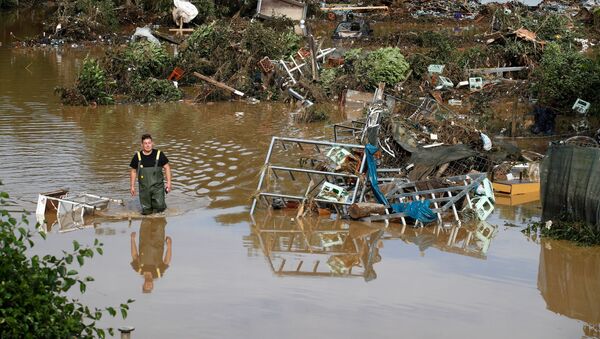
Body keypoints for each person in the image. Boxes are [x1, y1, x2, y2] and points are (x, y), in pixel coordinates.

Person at [129, 134, 172, 215]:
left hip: (158, 188)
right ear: (142, 145)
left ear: (152, 143)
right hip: (144, 189)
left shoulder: (159, 154)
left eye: (149, 143)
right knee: (146, 211)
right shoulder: (137, 156)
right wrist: (132, 186)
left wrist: (169, 183)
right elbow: (133, 171)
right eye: (145, 143)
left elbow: (167, 168)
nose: (148, 145)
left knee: (160, 208)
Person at [130, 217, 172, 293]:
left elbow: (134, 255)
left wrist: (132, 239)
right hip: (158, 240)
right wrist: (169, 245)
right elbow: (167, 261)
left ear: (143, 285)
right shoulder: (159, 272)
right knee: (160, 220)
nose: (149, 285)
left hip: (144, 238)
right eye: (150, 287)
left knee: (146, 219)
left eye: (146, 287)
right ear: (153, 285)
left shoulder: (139, 269)